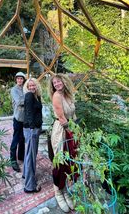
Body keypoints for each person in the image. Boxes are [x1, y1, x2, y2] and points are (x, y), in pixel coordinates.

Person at [49, 73, 78, 213]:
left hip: (71, 129)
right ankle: (58, 192)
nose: (57, 84)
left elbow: (73, 115)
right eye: (55, 83)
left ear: (64, 82)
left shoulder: (68, 95)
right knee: (60, 162)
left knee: (69, 162)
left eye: (59, 82)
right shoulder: (57, 96)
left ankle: (65, 189)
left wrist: (78, 131)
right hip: (62, 131)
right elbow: (62, 118)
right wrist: (72, 132)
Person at [23, 78, 43, 193]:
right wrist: (32, 129)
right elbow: (29, 113)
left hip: (35, 128)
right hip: (32, 129)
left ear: (37, 86)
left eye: (33, 85)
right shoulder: (29, 96)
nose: (31, 87)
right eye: (29, 86)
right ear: (27, 87)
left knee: (29, 154)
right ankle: (30, 186)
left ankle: (26, 174)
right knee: (31, 156)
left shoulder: (36, 96)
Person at [10, 72, 26, 172]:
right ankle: (12, 160)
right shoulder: (14, 89)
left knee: (22, 138)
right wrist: (29, 97)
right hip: (18, 118)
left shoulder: (25, 88)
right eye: (18, 78)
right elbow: (19, 101)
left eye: (21, 78)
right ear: (16, 79)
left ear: (24, 80)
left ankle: (21, 156)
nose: (20, 80)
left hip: (25, 118)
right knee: (16, 138)